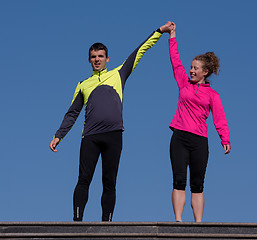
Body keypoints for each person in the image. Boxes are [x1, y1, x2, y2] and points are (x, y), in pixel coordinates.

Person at [49, 22, 173, 221]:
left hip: (114, 135)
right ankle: (77, 222)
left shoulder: (118, 73)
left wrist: (159, 31)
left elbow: (140, 50)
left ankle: (106, 222)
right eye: (93, 57)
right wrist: (58, 136)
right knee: (84, 179)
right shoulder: (83, 85)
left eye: (100, 56)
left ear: (107, 59)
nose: (97, 60)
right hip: (90, 136)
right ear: (89, 60)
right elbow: (72, 113)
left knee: (109, 181)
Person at [166, 23, 231, 222]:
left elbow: (220, 118)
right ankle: (178, 221)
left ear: (205, 72)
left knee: (198, 184)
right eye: (191, 67)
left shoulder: (213, 95)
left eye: (195, 68)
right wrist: (172, 35)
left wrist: (224, 138)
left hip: (199, 141)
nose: (191, 70)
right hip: (179, 137)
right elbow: (175, 61)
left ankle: (198, 224)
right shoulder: (184, 83)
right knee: (179, 181)